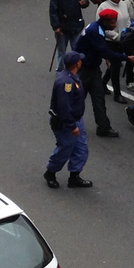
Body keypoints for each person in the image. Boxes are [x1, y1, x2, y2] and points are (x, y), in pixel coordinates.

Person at [74, 9, 134, 137]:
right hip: (84, 69)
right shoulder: (95, 32)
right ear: (105, 21)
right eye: (113, 22)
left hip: (93, 68)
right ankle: (70, 124)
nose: (115, 25)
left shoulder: (98, 28)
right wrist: (126, 58)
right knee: (78, 99)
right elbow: (104, 51)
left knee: (99, 97)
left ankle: (103, 126)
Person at [43, 51, 93, 189]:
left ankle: (75, 176)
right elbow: (64, 107)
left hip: (76, 119)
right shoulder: (66, 82)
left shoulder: (72, 77)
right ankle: (51, 172)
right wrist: (72, 126)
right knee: (65, 148)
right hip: (66, 122)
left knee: (81, 148)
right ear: (77, 63)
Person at [49, 0, 88, 72]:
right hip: (63, 26)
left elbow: (86, 0)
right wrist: (56, 26)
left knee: (77, 49)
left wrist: (85, 3)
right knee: (61, 50)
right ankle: (60, 70)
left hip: (76, 25)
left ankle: (76, 69)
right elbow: (53, 9)